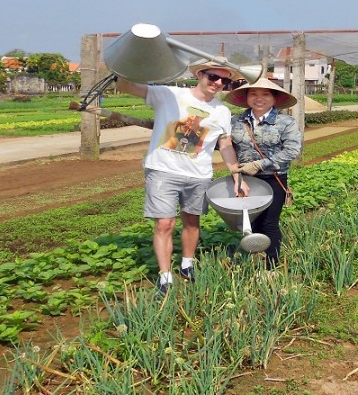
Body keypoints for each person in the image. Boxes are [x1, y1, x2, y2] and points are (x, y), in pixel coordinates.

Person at [115, 60, 244, 294]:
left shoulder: (222, 111)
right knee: (165, 223)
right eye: (213, 77)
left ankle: (187, 264)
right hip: (163, 170)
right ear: (200, 74)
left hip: (199, 174)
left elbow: (224, 144)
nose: (218, 83)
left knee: (192, 221)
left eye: (225, 81)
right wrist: (125, 64)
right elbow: (128, 87)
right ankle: (165, 276)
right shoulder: (170, 94)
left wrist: (236, 173)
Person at [226, 77, 302, 270]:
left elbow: (292, 151)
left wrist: (260, 165)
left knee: (269, 223)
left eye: (265, 94)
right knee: (250, 223)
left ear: (275, 98)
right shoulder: (235, 122)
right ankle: (253, 263)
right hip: (245, 180)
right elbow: (226, 146)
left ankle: (271, 266)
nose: (259, 98)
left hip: (273, 179)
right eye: (253, 94)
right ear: (246, 98)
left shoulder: (286, 122)